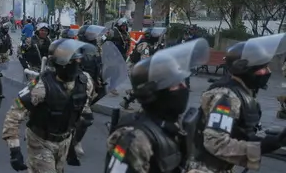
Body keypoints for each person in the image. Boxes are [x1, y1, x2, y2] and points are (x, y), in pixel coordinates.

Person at [105, 38, 211, 173]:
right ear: (154, 93)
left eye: (182, 82)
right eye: (175, 84)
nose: (183, 87)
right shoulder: (134, 139)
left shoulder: (172, 126)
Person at [188, 34, 286, 173]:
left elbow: (240, 132)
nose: (268, 72)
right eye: (262, 68)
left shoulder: (243, 92)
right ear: (244, 70)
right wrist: (263, 146)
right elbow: (215, 144)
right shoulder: (226, 98)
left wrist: (274, 139)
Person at [2, 39, 94, 172]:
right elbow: (14, 114)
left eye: (78, 60)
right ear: (60, 64)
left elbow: (82, 104)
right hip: (40, 142)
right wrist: (14, 149)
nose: (76, 64)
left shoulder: (85, 82)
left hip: (64, 141)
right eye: (71, 61)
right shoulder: (40, 85)